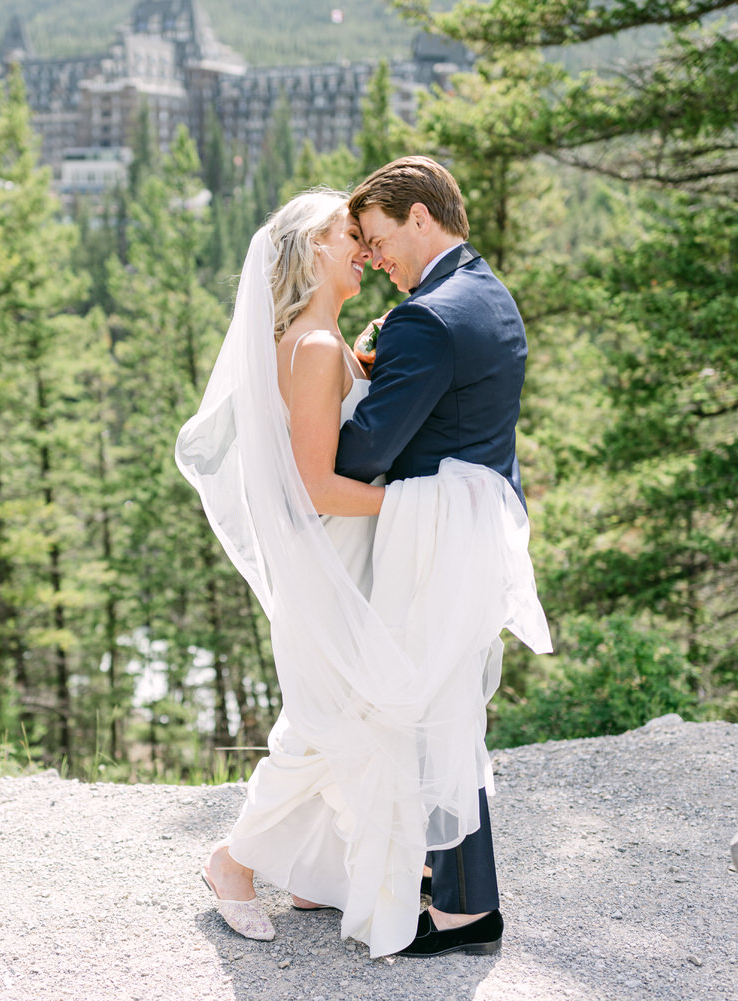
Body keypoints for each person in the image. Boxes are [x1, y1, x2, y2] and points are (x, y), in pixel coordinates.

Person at [175, 178, 549, 959]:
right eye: (353, 238)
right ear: (315, 251)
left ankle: (310, 868)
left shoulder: (329, 341)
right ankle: (232, 860)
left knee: (355, 715)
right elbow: (317, 485)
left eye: (370, 236)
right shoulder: (313, 348)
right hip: (331, 557)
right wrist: (425, 504)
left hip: (347, 554)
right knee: (327, 721)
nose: (367, 254)